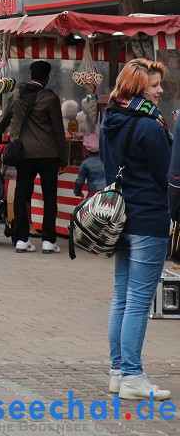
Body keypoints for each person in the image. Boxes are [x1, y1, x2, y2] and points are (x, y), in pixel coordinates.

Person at [99, 58, 173, 401]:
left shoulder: (110, 120)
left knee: (122, 297)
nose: (161, 90)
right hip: (148, 219)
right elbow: (165, 176)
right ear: (138, 86)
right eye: (155, 85)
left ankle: (118, 372)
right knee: (139, 302)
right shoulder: (150, 127)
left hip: (120, 217)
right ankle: (132, 376)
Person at [0, 60, 66, 253]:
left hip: (24, 154)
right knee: (49, 197)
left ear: (31, 75)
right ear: (47, 77)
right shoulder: (50, 98)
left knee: (23, 194)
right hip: (48, 154)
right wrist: (63, 159)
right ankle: (48, 241)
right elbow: (58, 130)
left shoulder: (16, 94)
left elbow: (3, 119)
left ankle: (22, 239)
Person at [73, 133, 105, 200]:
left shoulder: (85, 164)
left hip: (93, 194)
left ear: (86, 149)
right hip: (109, 193)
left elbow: (79, 182)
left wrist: (77, 192)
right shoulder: (107, 160)